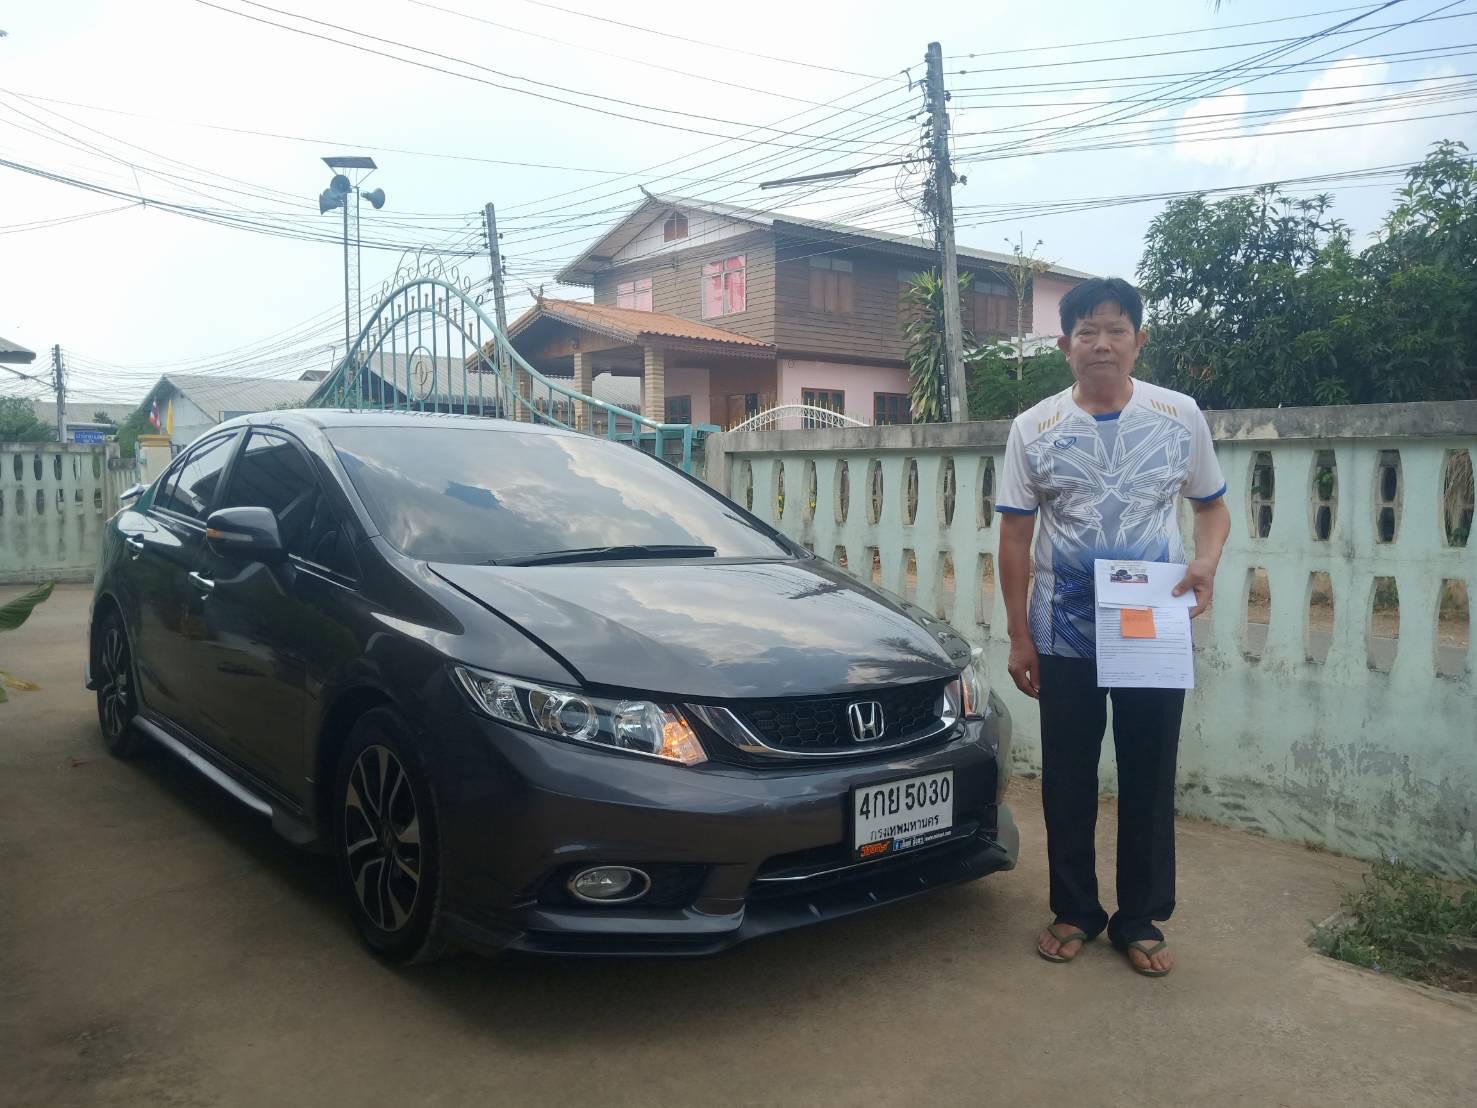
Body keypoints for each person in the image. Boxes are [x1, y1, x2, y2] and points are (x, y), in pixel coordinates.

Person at [996, 277, 1231, 978]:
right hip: (1063, 625)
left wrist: (1206, 561)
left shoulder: (1178, 415)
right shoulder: (1033, 428)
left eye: (1116, 329)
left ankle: (1140, 918)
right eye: (1087, 332)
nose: (1102, 343)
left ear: (1138, 339)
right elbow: (1014, 538)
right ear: (1064, 345)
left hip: (1150, 622)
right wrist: (1018, 635)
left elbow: (1211, 507)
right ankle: (1074, 910)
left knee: (1149, 770)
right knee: (1067, 773)